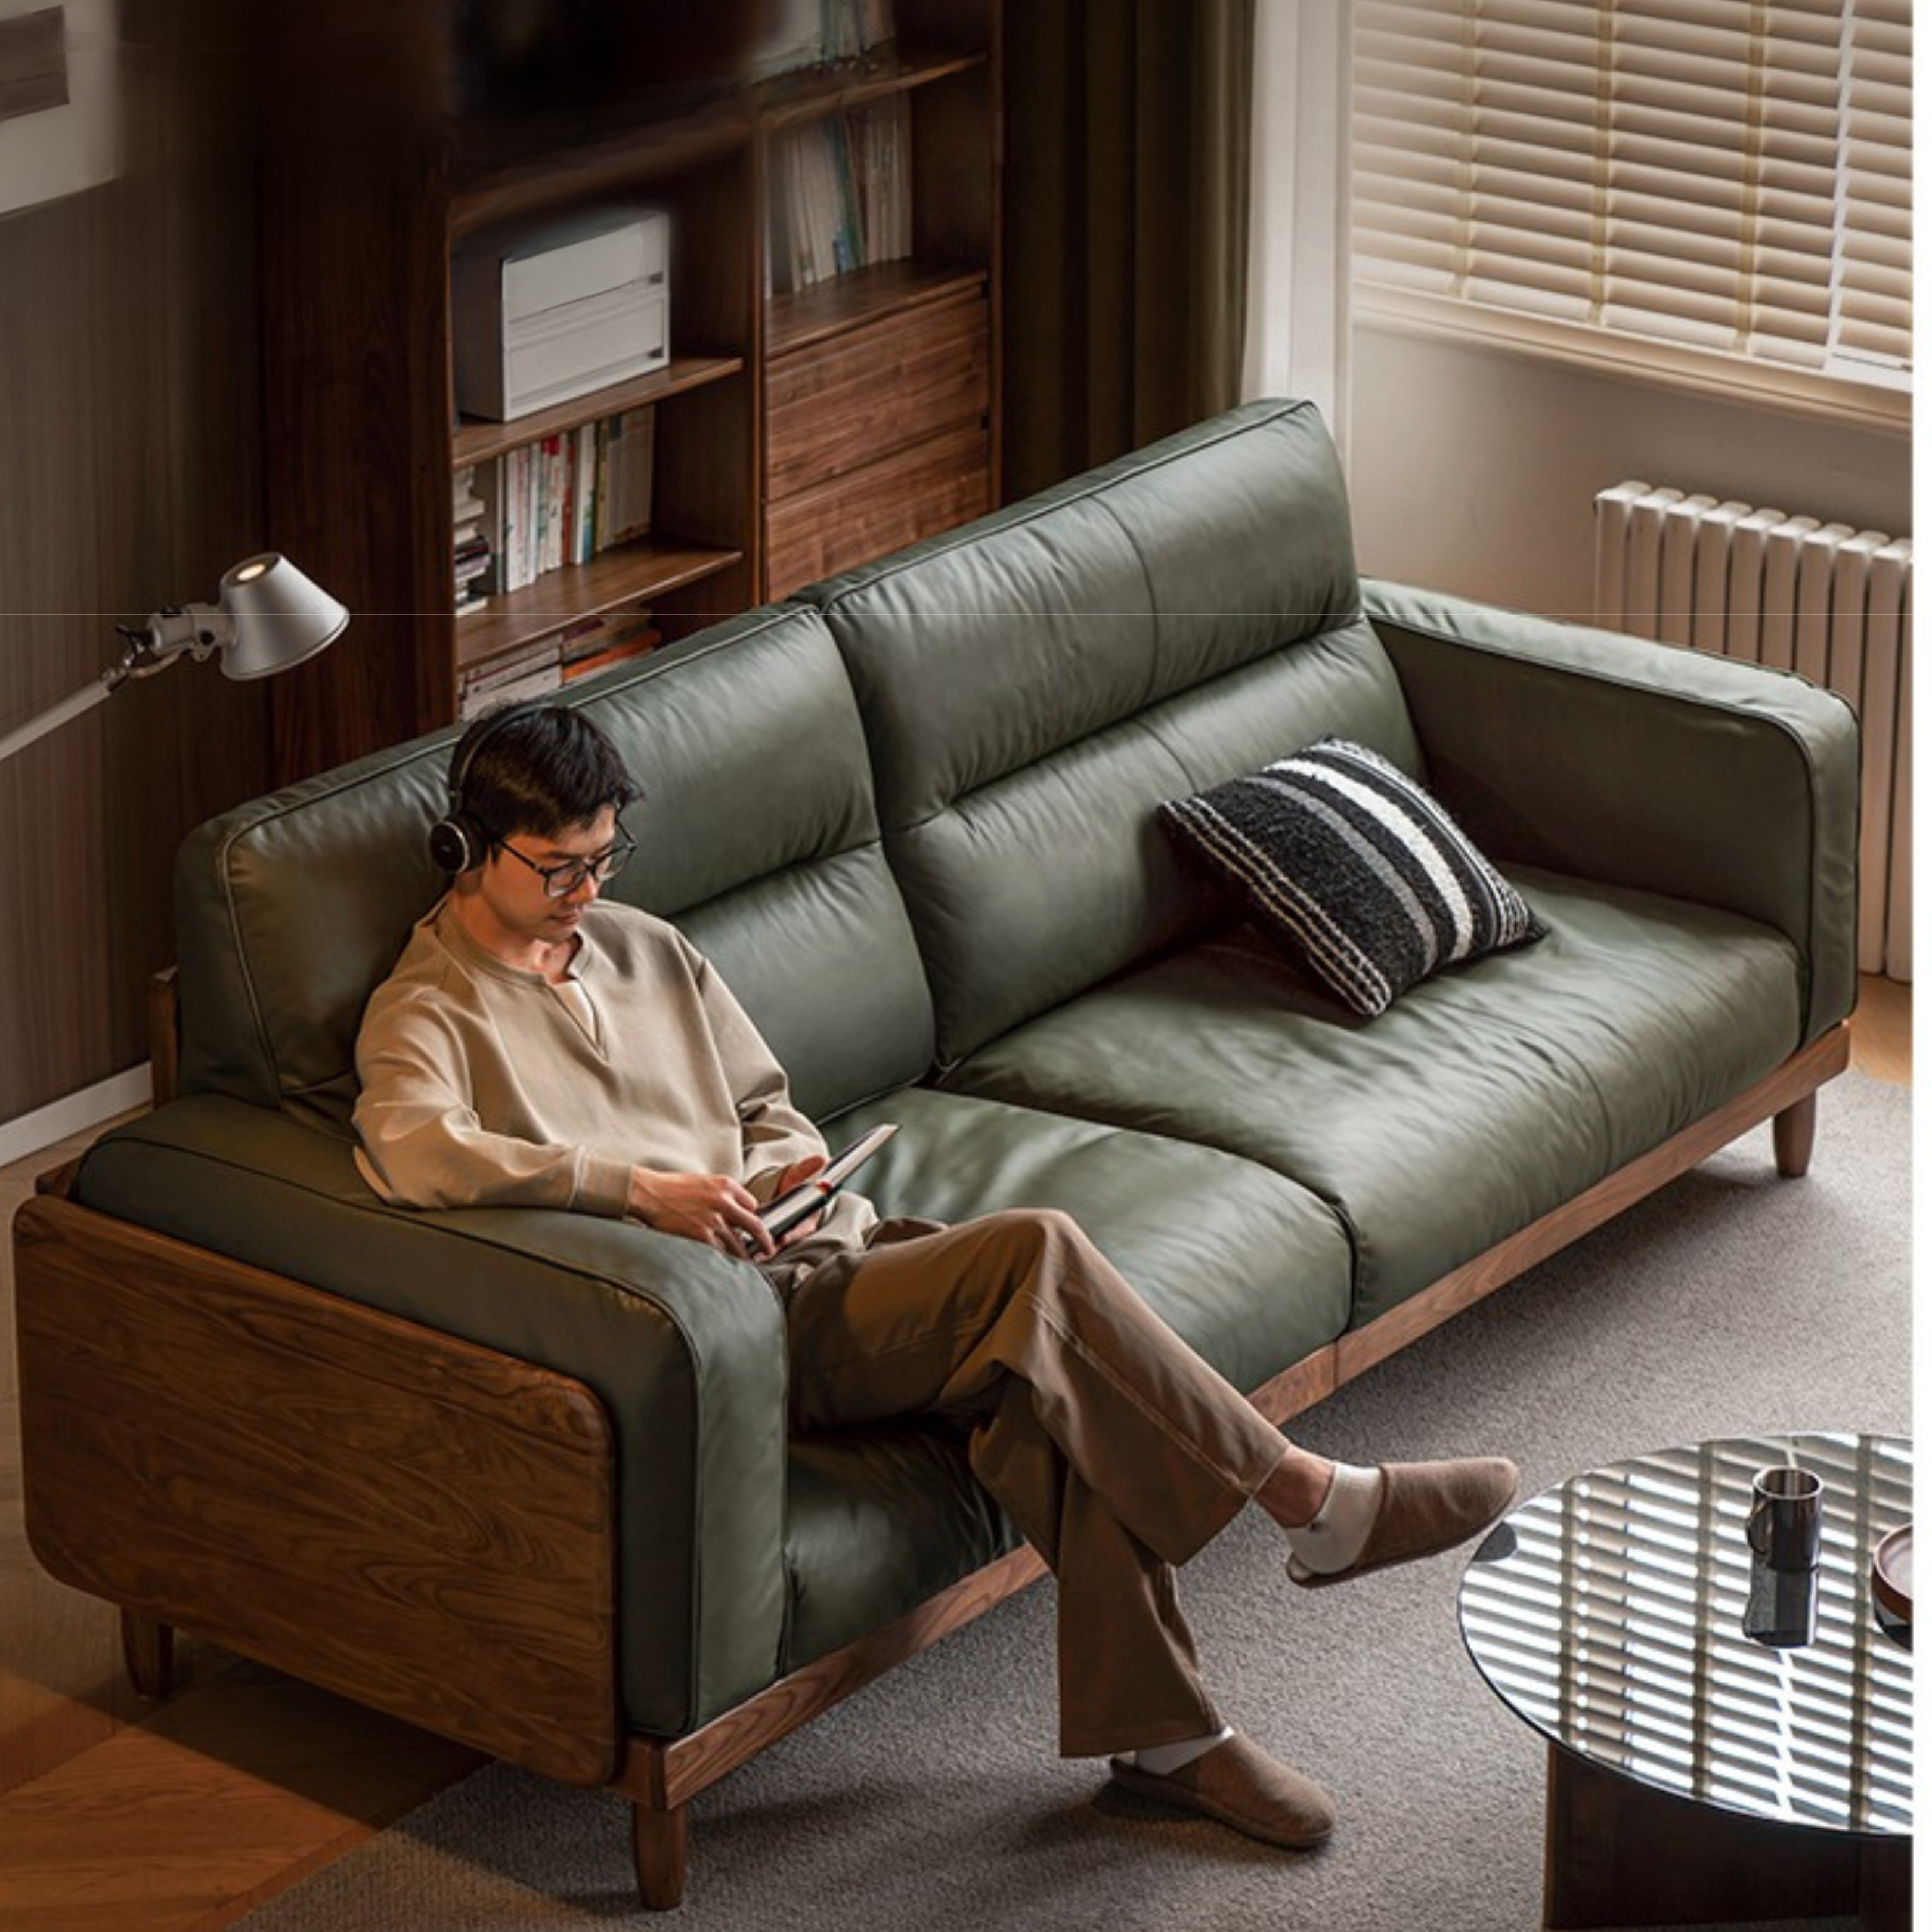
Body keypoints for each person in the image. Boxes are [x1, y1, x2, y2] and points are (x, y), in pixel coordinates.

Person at [352, 701, 1518, 1853]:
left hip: (820, 1252)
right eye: (559, 869)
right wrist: (634, 1188)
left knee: (1043, 1396)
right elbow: (418, 1152)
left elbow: (762, 1105)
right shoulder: (428, 1009)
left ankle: (1171, 1742)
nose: (587, 894)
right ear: (466, 849)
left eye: (605, 860)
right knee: (1036, 1250)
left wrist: (781, 1165)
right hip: (735, 1326)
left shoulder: (646, 948)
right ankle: (1313, 1499)